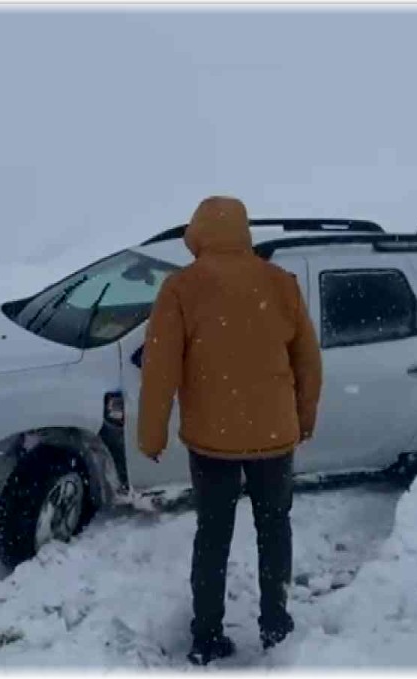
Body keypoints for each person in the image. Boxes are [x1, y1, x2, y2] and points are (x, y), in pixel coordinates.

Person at [137, 196, 323, 665]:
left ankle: (207, 636)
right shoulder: (281, 284)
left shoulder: (182, 288)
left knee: (213, 534)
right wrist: (304, 418)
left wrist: (152, 434)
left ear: (198, 234)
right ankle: (276, 626)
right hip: (274, 439)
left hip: (212, 441)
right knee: (275, 529)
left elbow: (160, 370)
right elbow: (308, 361)